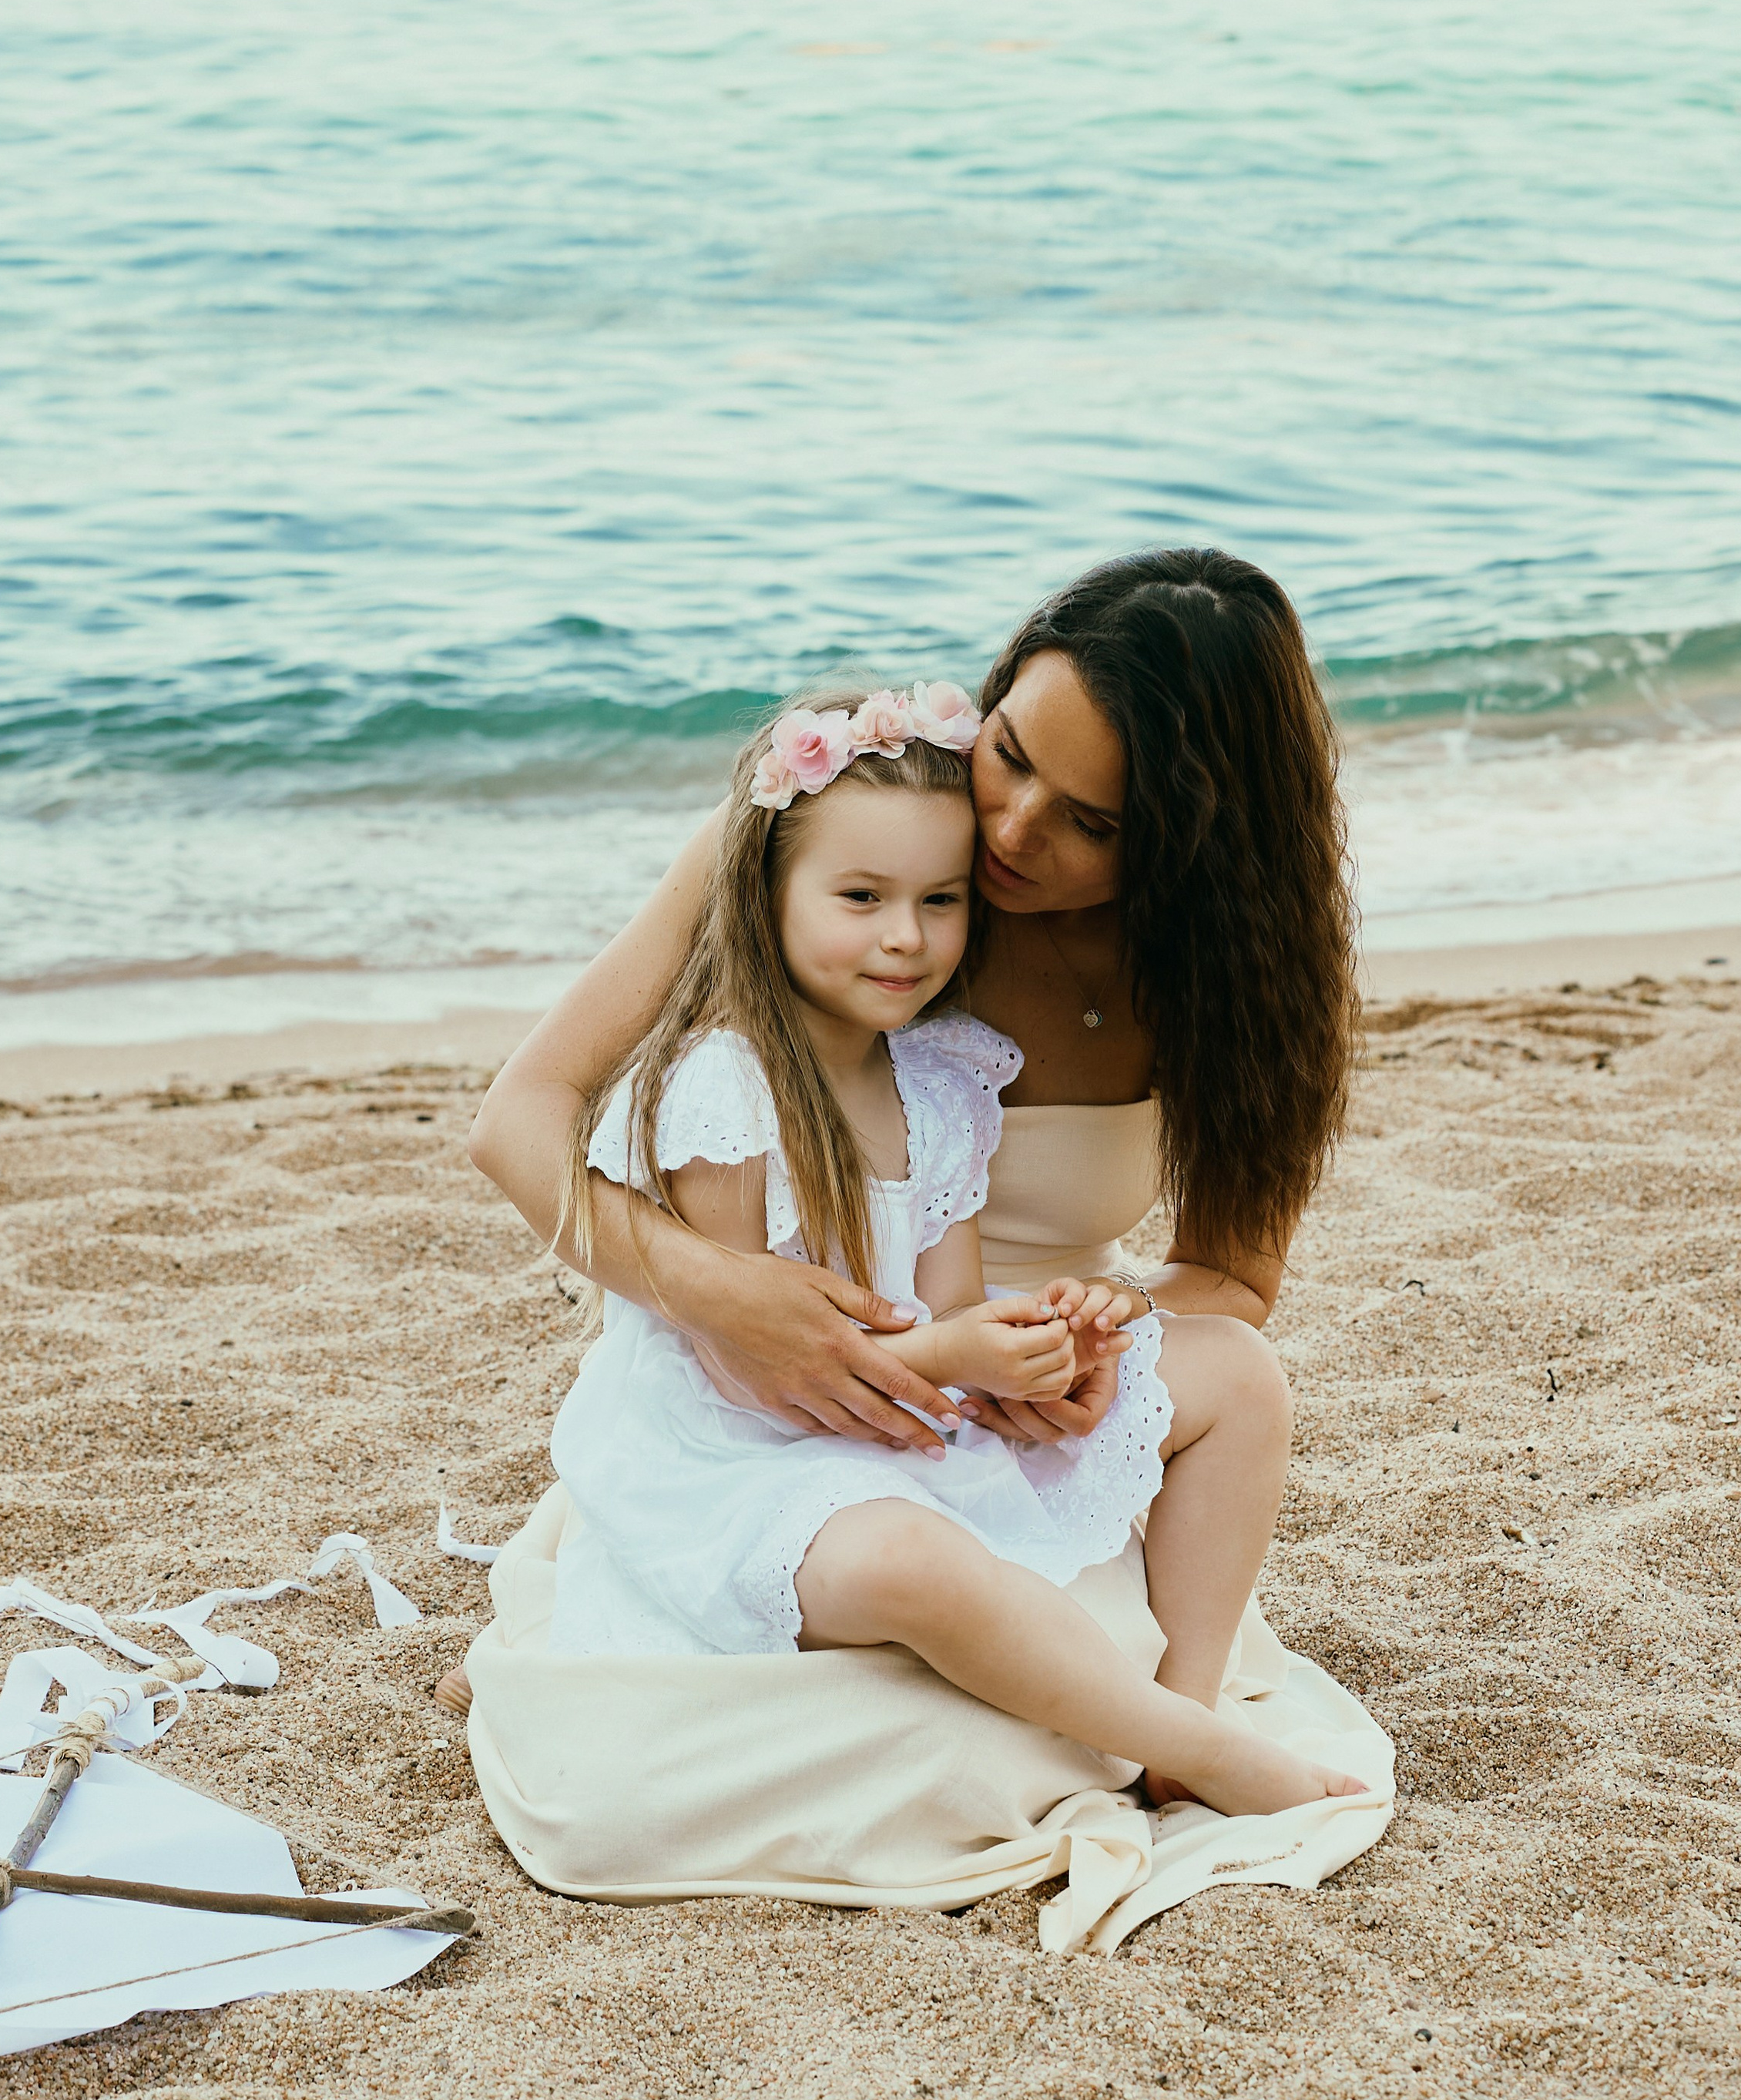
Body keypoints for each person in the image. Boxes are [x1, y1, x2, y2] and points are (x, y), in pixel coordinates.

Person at [535, 676, 1364, 1816]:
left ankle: (1188, 1701)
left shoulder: (941, 1084)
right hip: (750, 1461)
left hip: (907, 1423)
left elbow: (953, 1306)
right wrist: (953, 1359)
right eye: (861, 897)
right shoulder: (727, 1088)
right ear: (768, 894)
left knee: (1241, 1376)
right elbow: (752, 1368)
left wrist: (1045, 1345)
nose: (905, 937)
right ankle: (1200, 1748)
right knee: (908, 1563)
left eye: (941, 901)